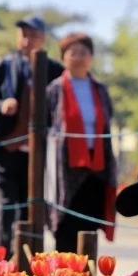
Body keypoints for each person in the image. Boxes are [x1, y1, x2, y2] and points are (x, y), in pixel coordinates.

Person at [0, 14, 64, 257]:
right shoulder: (3, 66)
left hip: (39, 153)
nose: (28, 40)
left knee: (32, 206)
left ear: (43, 39)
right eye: (24, 34)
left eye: (33, 35)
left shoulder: (55, 70)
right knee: (6, 205)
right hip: (6, 150)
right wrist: (1, 105)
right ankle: (0, 259)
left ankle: (26, 260)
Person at [46, 32, 117, 253]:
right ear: (63, 57)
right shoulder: (54, 89)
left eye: (83, 52)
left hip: (96, 165)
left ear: (91, 57)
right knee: (67, 225)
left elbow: (107, 120)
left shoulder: (100, 89)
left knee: (89, 224)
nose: (78, 57)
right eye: (72, 52)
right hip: (65, 167)